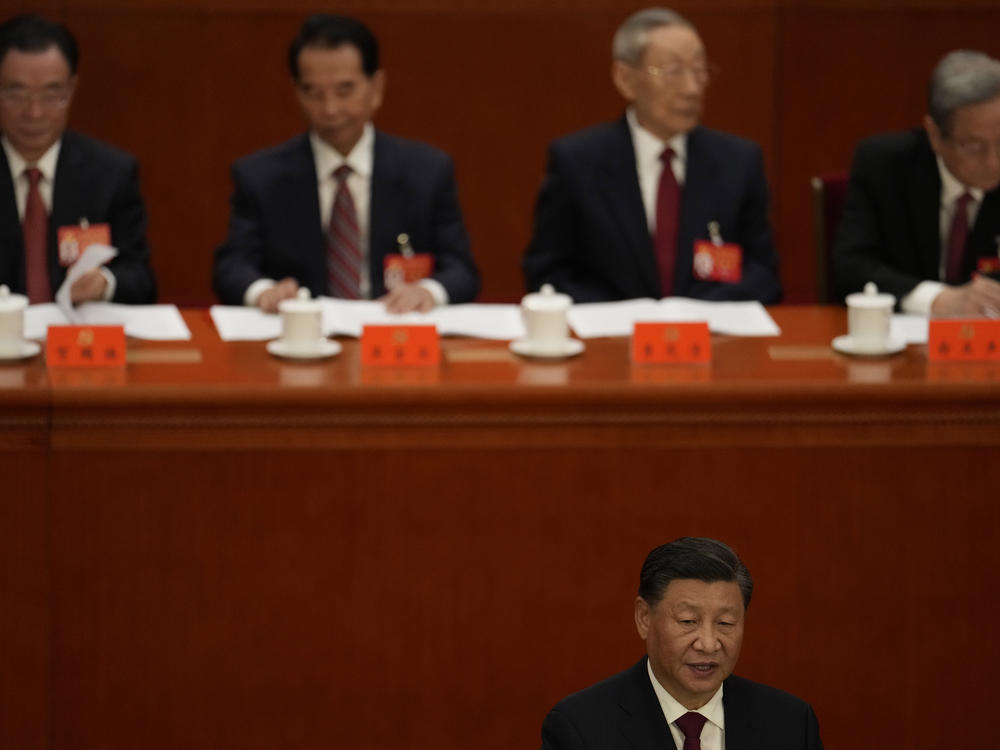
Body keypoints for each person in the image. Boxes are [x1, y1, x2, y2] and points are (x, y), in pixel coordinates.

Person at [213, 14, 479, 314]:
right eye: (313, 92)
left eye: (345, 90)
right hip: (302, 338)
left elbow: (462, 270)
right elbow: (232, 266)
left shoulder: (427, 172)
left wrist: (428, 292)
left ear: (376, 87)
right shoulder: (260, 177)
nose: (330, 109)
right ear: (296, 92)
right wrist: (263, 292)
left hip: (392, 333)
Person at [522, 8, 781, 304]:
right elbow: (547, 274)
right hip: (609, 341)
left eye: (699, 69)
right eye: (673, 71)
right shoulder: (577, 162)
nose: (691, 88)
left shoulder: (739, 162)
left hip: (711, 340)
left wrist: (699, 315)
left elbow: (762, 274)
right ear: (625, 79)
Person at [541, 537, 823, 750]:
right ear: (644, 618)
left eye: (725, 623)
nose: (709, 644)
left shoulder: (791, 724)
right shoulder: (580, 729)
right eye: (688, 621)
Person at [0, 14, 155, 304]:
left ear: (71, 90)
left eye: (52, 94)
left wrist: (105, 282)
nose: (34, 112)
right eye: (16, 94)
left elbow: (141, 278)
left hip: (76, 338)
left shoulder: (111, 173)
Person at [834, 50, 1000, 316]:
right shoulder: (885, 166)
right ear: (934, 134)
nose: (993, 162)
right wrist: (937, 299)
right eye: (973, 146)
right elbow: (852, 266)